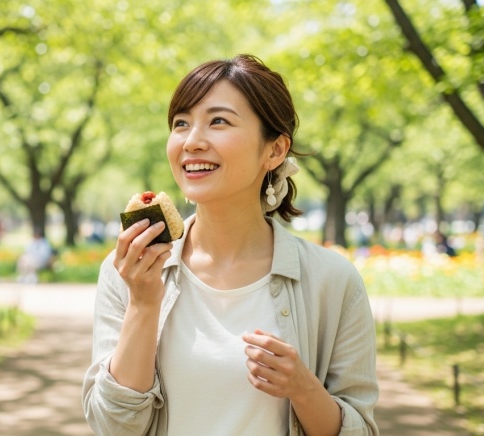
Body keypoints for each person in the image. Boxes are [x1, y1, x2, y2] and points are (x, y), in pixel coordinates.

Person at [82, 54, 378, 435]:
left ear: (275, 150)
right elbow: (113, 427)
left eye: (218, 121)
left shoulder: (332, 281)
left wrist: (304, 390)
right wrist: (143, 302)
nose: (192, 141)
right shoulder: (128, 270)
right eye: (181, 124)